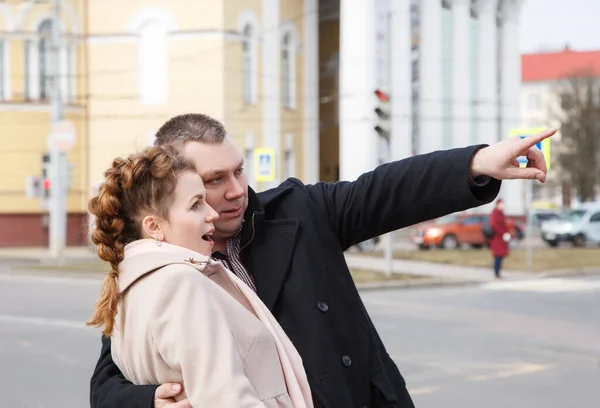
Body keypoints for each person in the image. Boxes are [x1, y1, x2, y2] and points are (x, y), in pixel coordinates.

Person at [90, 113, 555, 408]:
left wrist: (475, 163)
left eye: (238, 170)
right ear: (180, 185)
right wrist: (152, 401)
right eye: (213, 180)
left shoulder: (298, 211)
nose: (234, 191)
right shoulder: (160, 272)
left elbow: (384, 190)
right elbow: (108, 382)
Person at [87, 145, 313, 407]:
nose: (212, 214)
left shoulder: (129, 285)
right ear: (154, 226)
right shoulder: (181, 284)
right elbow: (226, 399)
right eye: (195, 204)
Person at [489, 199, 510, 279]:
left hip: (501, 239)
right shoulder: (495, 213)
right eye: (501, 204)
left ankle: (498, 272)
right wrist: (503, 233)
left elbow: (504, 224)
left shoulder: (501, 213)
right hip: (497, 238)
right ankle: (496, 272)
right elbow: (495, 225)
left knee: (500, 256)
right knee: (498, 255)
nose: (502, 206)